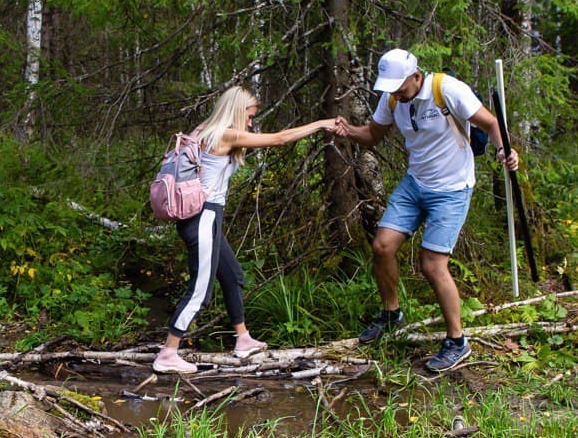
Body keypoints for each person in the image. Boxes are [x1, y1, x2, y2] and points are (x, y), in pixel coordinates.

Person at [336, 48, 520, 371]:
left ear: (416, 76)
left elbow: (491, 123)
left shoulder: (446, 89)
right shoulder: (392, 100)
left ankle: (457, 341)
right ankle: (391, 314)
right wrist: (347, 130)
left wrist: (505, 150)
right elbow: (373, 135)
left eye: (400, 87)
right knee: (382, 246)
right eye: (391, 88)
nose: (396, 93)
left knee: (432, 265)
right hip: (415, 184)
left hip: (452, 189)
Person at [153, 87, 340, 374]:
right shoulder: (224, 135)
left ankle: (243, 339)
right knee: (200, 291)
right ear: (236, 111)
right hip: (203, 218)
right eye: (249, 116)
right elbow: (278, 139)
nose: (251, 122)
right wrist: (321, 124)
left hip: (207, 218)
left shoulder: (204, 130)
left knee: (232, 275)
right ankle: (168, 353)